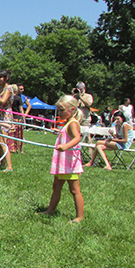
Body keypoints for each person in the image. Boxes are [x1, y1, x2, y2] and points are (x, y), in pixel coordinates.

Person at [39, 95, 84, 223]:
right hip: (62, 162)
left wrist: (66, 146)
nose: (59, 113)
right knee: (56, 187)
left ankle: (79, 216)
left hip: (69, 163)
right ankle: (50, 210)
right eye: (58, 110)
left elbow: (77, 138)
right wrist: (58, 132)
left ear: (72, 109)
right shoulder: (67, 123)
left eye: (62, 110)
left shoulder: (73, 123)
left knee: (74, 190)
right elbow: (68, 135)